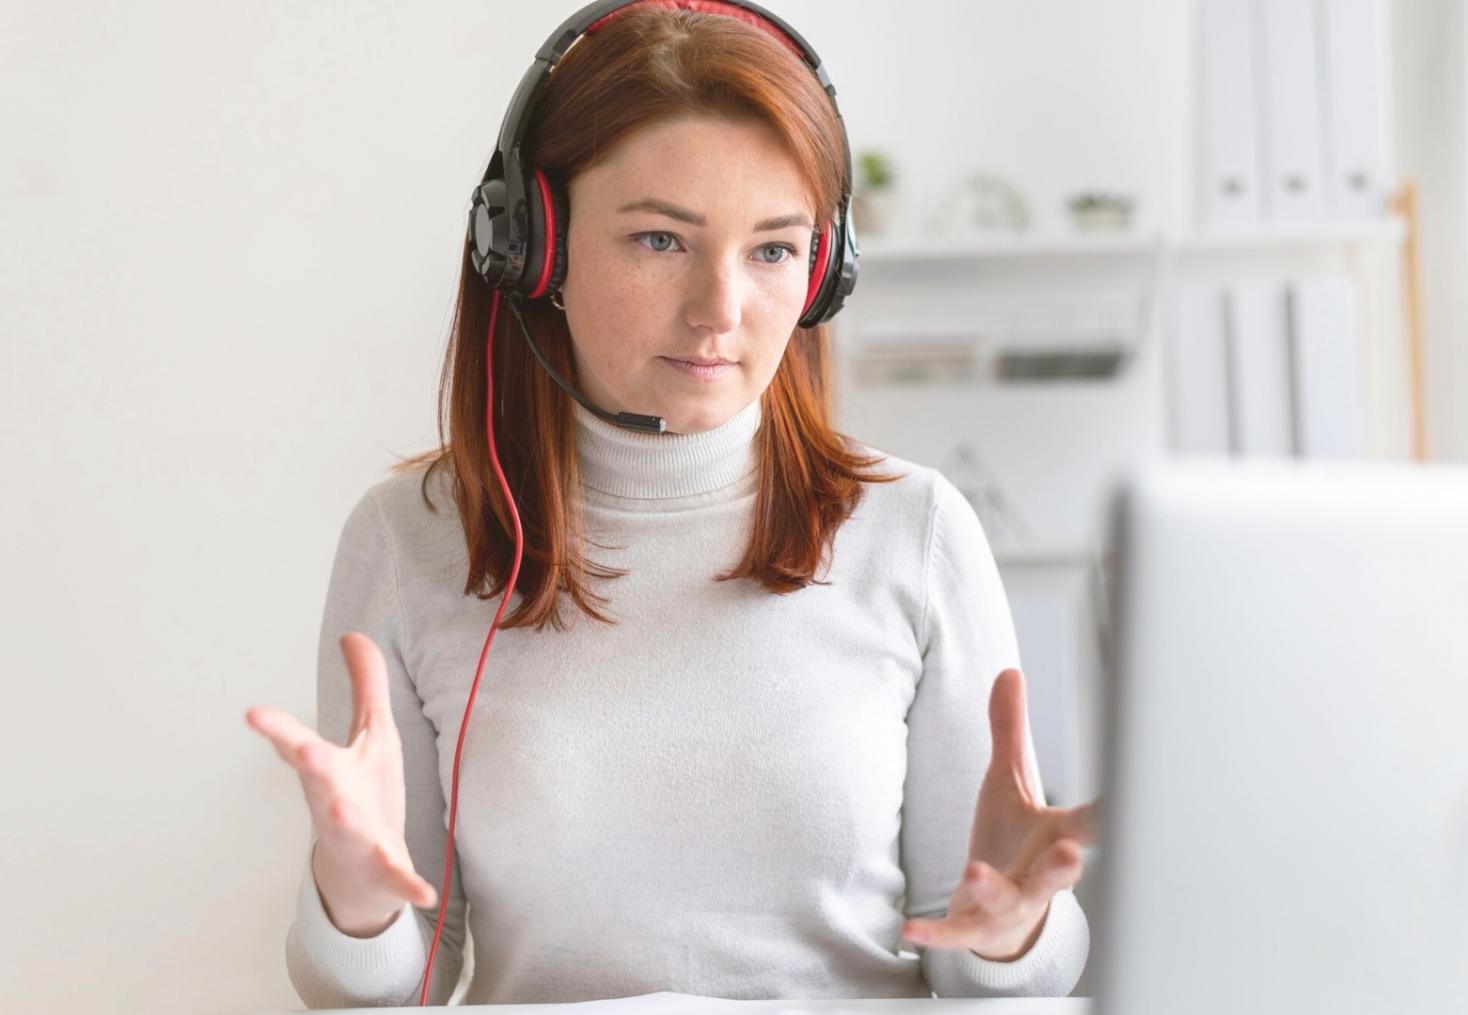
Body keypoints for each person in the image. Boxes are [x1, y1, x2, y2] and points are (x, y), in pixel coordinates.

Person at [244, 1, 1098, 1006]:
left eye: (774, 250)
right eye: (660, 240)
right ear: (535, 249)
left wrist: (1014, 932)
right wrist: (355, 902)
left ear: (826, 268)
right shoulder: (410, 542)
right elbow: (388, 990)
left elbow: (989, 962)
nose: (721, 311)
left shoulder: (915, 532)